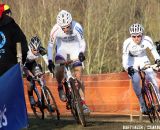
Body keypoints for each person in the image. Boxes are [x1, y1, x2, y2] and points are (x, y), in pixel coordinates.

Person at [47, 10, 90, 114]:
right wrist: (49, 60)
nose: (66, 29)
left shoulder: (77, 27)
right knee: (59, 68)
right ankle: (60, 85)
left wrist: (81, 53)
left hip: (75, 50)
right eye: (64, 27)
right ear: (59, 26)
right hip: (62, 50)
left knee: (79, 75)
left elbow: (82, 42)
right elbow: (50, 46)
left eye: (68, 26)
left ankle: (83, 103)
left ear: (71, 22)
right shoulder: (55, 29)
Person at [122, 23, 160, 114]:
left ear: (142, 34)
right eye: (133, 36)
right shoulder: (127, 43)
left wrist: (158, 60)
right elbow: (124, 58)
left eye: (138, 36)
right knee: (135, 80)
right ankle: (142, 104)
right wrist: (127, 67)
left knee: (152, 78)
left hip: (143, 59)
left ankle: (159, 101)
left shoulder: (147, 40)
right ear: (131, 36)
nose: (136, 38)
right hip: (132, 61)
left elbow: (154, 51)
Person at [0, 4, 28, 76]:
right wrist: (19, 64)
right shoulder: (12, 26)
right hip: (9, 70)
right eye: (7, 12)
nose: (9, 14)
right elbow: (24, 48)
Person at [23, 36, 49, 106]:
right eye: (34, 50)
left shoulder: (41, 50)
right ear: (31, 47)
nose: (37, 51)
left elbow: (47, 61)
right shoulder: (26, 51)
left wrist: (50, 67)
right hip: (25, 65)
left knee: (40, 76)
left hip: (33, 64)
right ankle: (31, 96)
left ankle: (44, 96)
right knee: (31, 82)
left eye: (38, 50)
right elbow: (23, 66)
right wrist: (29, 74)